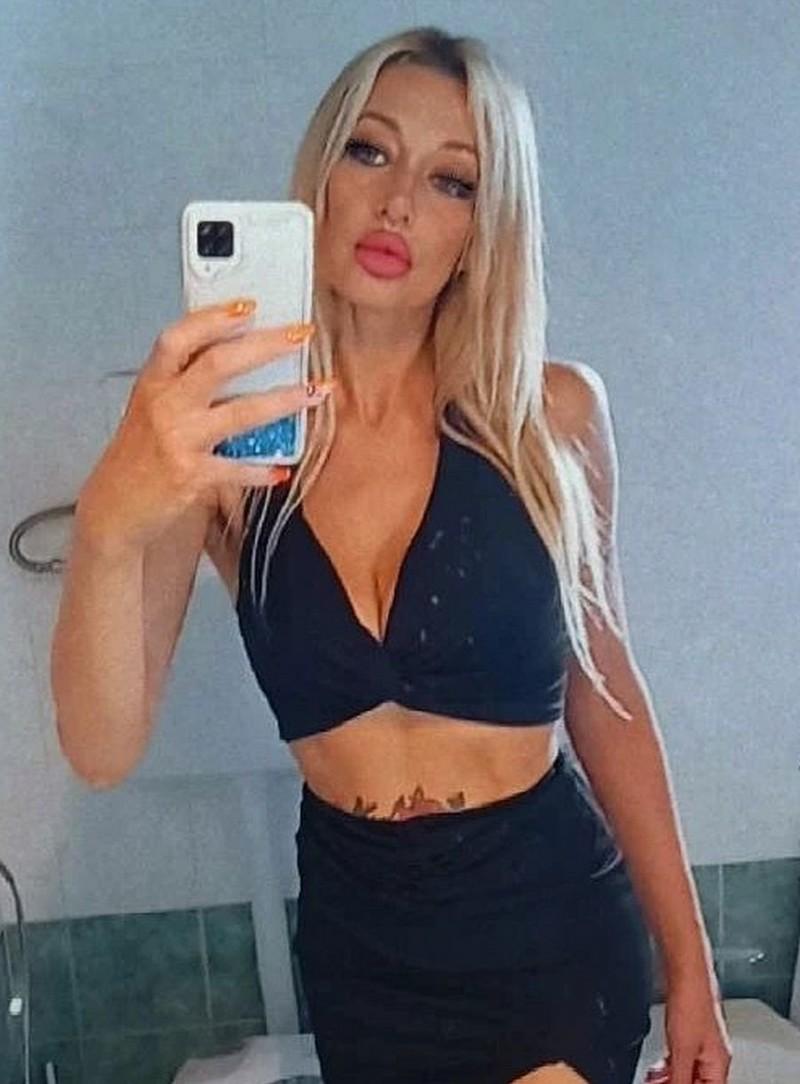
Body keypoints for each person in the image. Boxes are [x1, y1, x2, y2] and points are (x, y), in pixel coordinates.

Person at [51, 25, 732, 1084]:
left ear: (484, 227)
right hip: (362, 948)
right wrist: (108, 520)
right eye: (369, 152)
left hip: (545, 928)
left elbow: (605, 694)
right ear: (319, 179)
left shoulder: (547, 417)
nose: (398, 203)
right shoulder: (226, 441)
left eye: (451, 180)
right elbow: (101, 749)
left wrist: (690, 966)